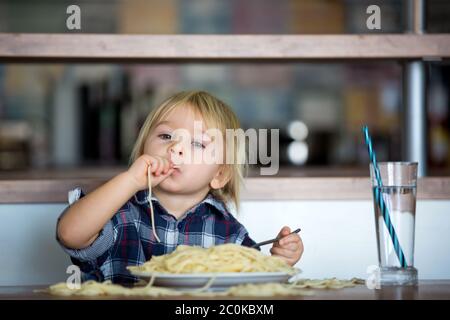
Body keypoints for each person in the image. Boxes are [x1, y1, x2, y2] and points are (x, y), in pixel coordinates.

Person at [56, 90, 304, 284]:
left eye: (197, 143)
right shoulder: (118, 212)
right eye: (166, 136)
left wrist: (280, 261)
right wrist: (130, 180)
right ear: (143, 149)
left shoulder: (229, 233)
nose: (176, 148)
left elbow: (250, 281)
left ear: (219, 174)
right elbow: (69, 233)